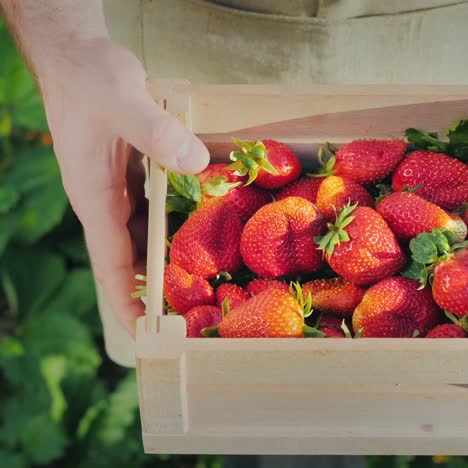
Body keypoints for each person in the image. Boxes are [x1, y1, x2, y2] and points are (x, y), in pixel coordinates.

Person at [2, 1, 467, 466]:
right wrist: (67, 48)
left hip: (431, 41)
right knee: (232, 399)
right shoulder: (296, 246)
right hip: (187, 42)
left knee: (351, 407)